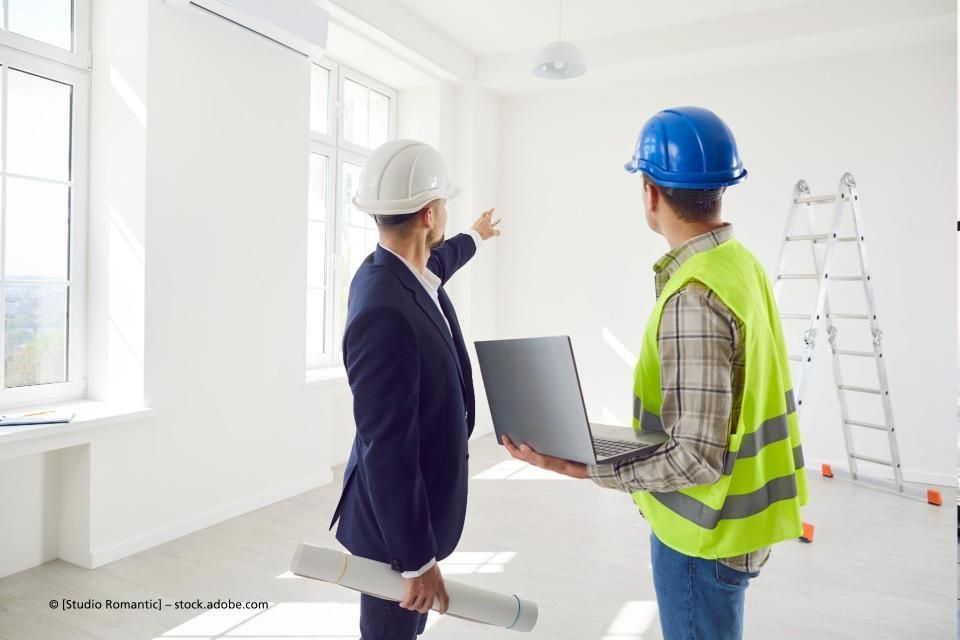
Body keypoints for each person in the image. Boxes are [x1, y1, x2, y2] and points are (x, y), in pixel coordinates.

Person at [503, 106, 808, 640]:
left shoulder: (696, 295)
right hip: (737, 524)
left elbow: (696, 458)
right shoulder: (740, 265)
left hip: (703, 536)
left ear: (649, 192)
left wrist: (586, 469)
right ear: (722, 188)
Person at [328, 139, 501, 640]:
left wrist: (477, 235)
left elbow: (442, 260)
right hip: (393, 537)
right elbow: (386, 446)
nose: (447, 211)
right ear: (429, 213)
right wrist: (416, 561)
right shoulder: (385, 311)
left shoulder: (402, 271)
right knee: (390, 633)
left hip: (412, 514)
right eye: (444, 203)